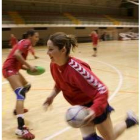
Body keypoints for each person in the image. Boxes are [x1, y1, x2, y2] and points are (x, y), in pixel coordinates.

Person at [43, 32, 138, 140]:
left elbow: (102, 90)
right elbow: (60, 83)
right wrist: (52, 96)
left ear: (63, 50)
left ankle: (130, 120)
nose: (47, 52)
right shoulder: (54, 65)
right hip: (81, 108)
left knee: (110, 138)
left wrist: (93, 110)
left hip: (96, 104)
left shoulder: (76, 69)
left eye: (50, 49)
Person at [2, 29, 39, 139]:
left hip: (13, 68)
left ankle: (17, 109)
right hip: (9, 69)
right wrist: (30, 66)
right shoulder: (27, 42)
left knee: (26, 86)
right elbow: (17, 55)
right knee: (20, 93)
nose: (37, 39)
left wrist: (27, 68)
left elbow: (17, 60)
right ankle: (20, 129)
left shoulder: (23, 42)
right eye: (36, 36)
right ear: (30, 36)